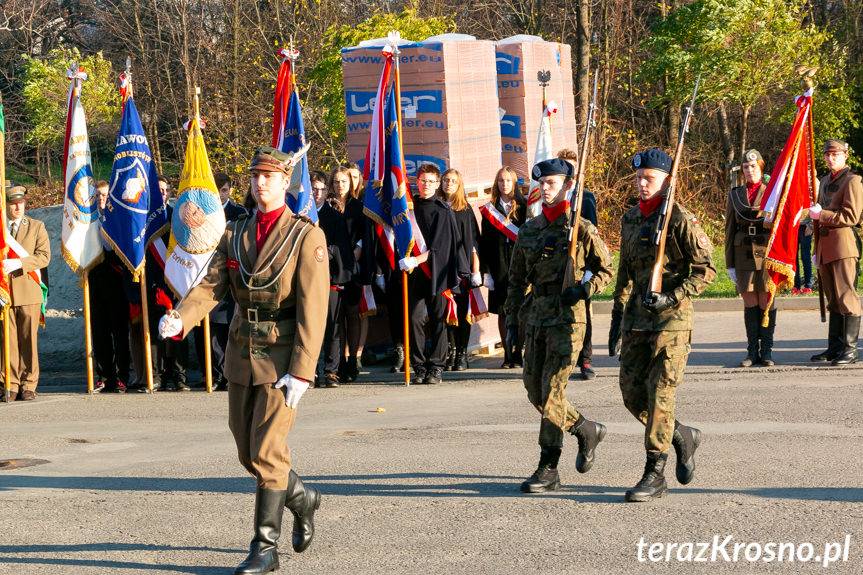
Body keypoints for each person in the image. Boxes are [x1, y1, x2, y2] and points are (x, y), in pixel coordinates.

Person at [159, 146, 327, 574]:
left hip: (282, 358)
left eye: (269, 176)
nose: (260, 183)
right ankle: (303, 498)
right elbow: (212, 286)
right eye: (255, 176)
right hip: (239, 352)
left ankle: (264, 547)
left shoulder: (307, 237)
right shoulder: (235, 233)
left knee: (268, 451)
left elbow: (314, 309)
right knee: (247, 452)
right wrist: (182, 317)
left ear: (285, 182)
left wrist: (302, 372)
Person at [609, 148, 715, 502]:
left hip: (672, 321)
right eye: (638, 178)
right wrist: (616, 314)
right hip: (637, 320)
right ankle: (681, 433)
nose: (641, 184)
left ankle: (654, 472)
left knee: (660, 394)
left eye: (649, 178)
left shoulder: (681, 219)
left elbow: (705, 270)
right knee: (631, 393)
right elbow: (625, 270)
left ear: (667, 181)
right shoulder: (630, 219)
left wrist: (674, 296)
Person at [505, 159, 613, 493]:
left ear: (568, 186)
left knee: (552, 392)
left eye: (553, 183)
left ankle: (547, 467)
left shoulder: (580, 228)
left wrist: (584, 288)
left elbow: (606, 271)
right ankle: (585, 428)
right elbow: (516, 279)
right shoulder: (531, 229)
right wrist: (510, 319)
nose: (546, 189)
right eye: (542, 184)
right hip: (537, 314)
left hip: (568, 318)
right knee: (534, 390)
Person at [399, 163, 469, 384]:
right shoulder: (409, 207)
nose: (426, 185)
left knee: (439, 319)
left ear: (437, 184)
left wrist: (416, 259)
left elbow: (439, 247)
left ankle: (436, 366)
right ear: (416, 181)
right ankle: (419, 365)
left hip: (438, 272)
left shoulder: (442, 210)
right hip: (414, 274)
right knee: (415, 319)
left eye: (430, 181)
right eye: (422, 180)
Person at [809, 139, 862, 365]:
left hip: (843, 246)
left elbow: (851, 216)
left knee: (845, 296)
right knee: (833, 299)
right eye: (828, 154)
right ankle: (835, 347)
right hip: (825, 247)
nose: (831, 158)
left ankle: (850, 349)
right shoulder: (824, 180)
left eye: (835, 154)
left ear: (845, 156)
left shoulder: (853, 181)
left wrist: (822, 215)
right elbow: (820, 215)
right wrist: (814, 233)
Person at [192, 172, 247, 391]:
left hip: (230, 276)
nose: (220, 194)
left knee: (225, 329)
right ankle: (210, 373)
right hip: (204, 273)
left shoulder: (238, 213)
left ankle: (226, 373)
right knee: (206, 328)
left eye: (224, 190)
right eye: (217, 191)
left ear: (230, 190)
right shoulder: (200, 212)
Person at [724, 149, 778, 367]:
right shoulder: (735, 194)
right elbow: (729, 230)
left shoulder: (772, 192)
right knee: (750, 301)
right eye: (746, 167)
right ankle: (751, 351)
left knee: (766, 299)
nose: (749, 170)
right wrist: (729, 264)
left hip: (766, 252)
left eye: (753, 166)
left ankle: (766, 351)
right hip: (743, 252)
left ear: (761, 167)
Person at [1, 182, 50, 402]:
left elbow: (43, 256)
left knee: (28, 339)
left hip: (28, 289)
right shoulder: (1, 228)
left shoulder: (36, 226)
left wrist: (20, 263)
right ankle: (10, 384)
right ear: (7, 205)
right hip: (6, 291)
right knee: (8, 339)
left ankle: (29, 383)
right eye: (13, 204)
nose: (18, 208)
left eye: (21, 203)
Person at [479, 166, 527, 368]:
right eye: (501, 180)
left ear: (514, 183)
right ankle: (508, 354)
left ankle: (519, 352)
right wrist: (486, 271)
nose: (504, 184)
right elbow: (484, 243)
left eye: (508, 180)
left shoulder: (524, 207)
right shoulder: (490, 210)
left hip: (520, 267)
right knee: (503, 312)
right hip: (498, 267)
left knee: (521, 312)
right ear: (496, 184)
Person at [557, 148, 599, 379]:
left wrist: (590, 270)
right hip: (557, 262)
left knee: (585, 313)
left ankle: (586, 359)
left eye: (571, 167)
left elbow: (594, 234)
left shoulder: (586, 196)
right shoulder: (554, 194)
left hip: (581, 263)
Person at [315, 169, 355, 387]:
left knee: (333, 326)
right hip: (306, 280)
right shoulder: (299, 215)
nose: (318, 193)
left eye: (322, 189)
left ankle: (331, 371)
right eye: (314, 189)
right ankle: (309, 370)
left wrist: (322, 251)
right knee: (308, 326)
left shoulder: (334, 217)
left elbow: (341, 249)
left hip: (329, 277)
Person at [90, 179, 131, 393]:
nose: (101, 199)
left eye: (104, 195)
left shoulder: (118, 219)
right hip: (95, 281)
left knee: (119, 332)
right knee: (99, 332)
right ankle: (103, 375)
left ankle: (122, 375)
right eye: (97, 195)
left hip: (117, 282)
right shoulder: (87, 221)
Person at [441, 168, 481, 370]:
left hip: (461, 269)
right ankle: (451, 351)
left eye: (453, 181)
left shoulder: (464, 210)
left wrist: (475, 270)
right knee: (446, 312)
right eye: (446, 180)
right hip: (441, 269)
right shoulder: (437, 206)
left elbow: (474, 242)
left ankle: (462, 354)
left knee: (462, 312)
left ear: (459, 185)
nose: (449, 183)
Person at [793, 215, 814, 295]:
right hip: (793, 226)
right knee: (794, 257)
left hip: (806, 227)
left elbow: (815, 207)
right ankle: (796, 285)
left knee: (805, 257)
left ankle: (808, 285)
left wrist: (811, 225)